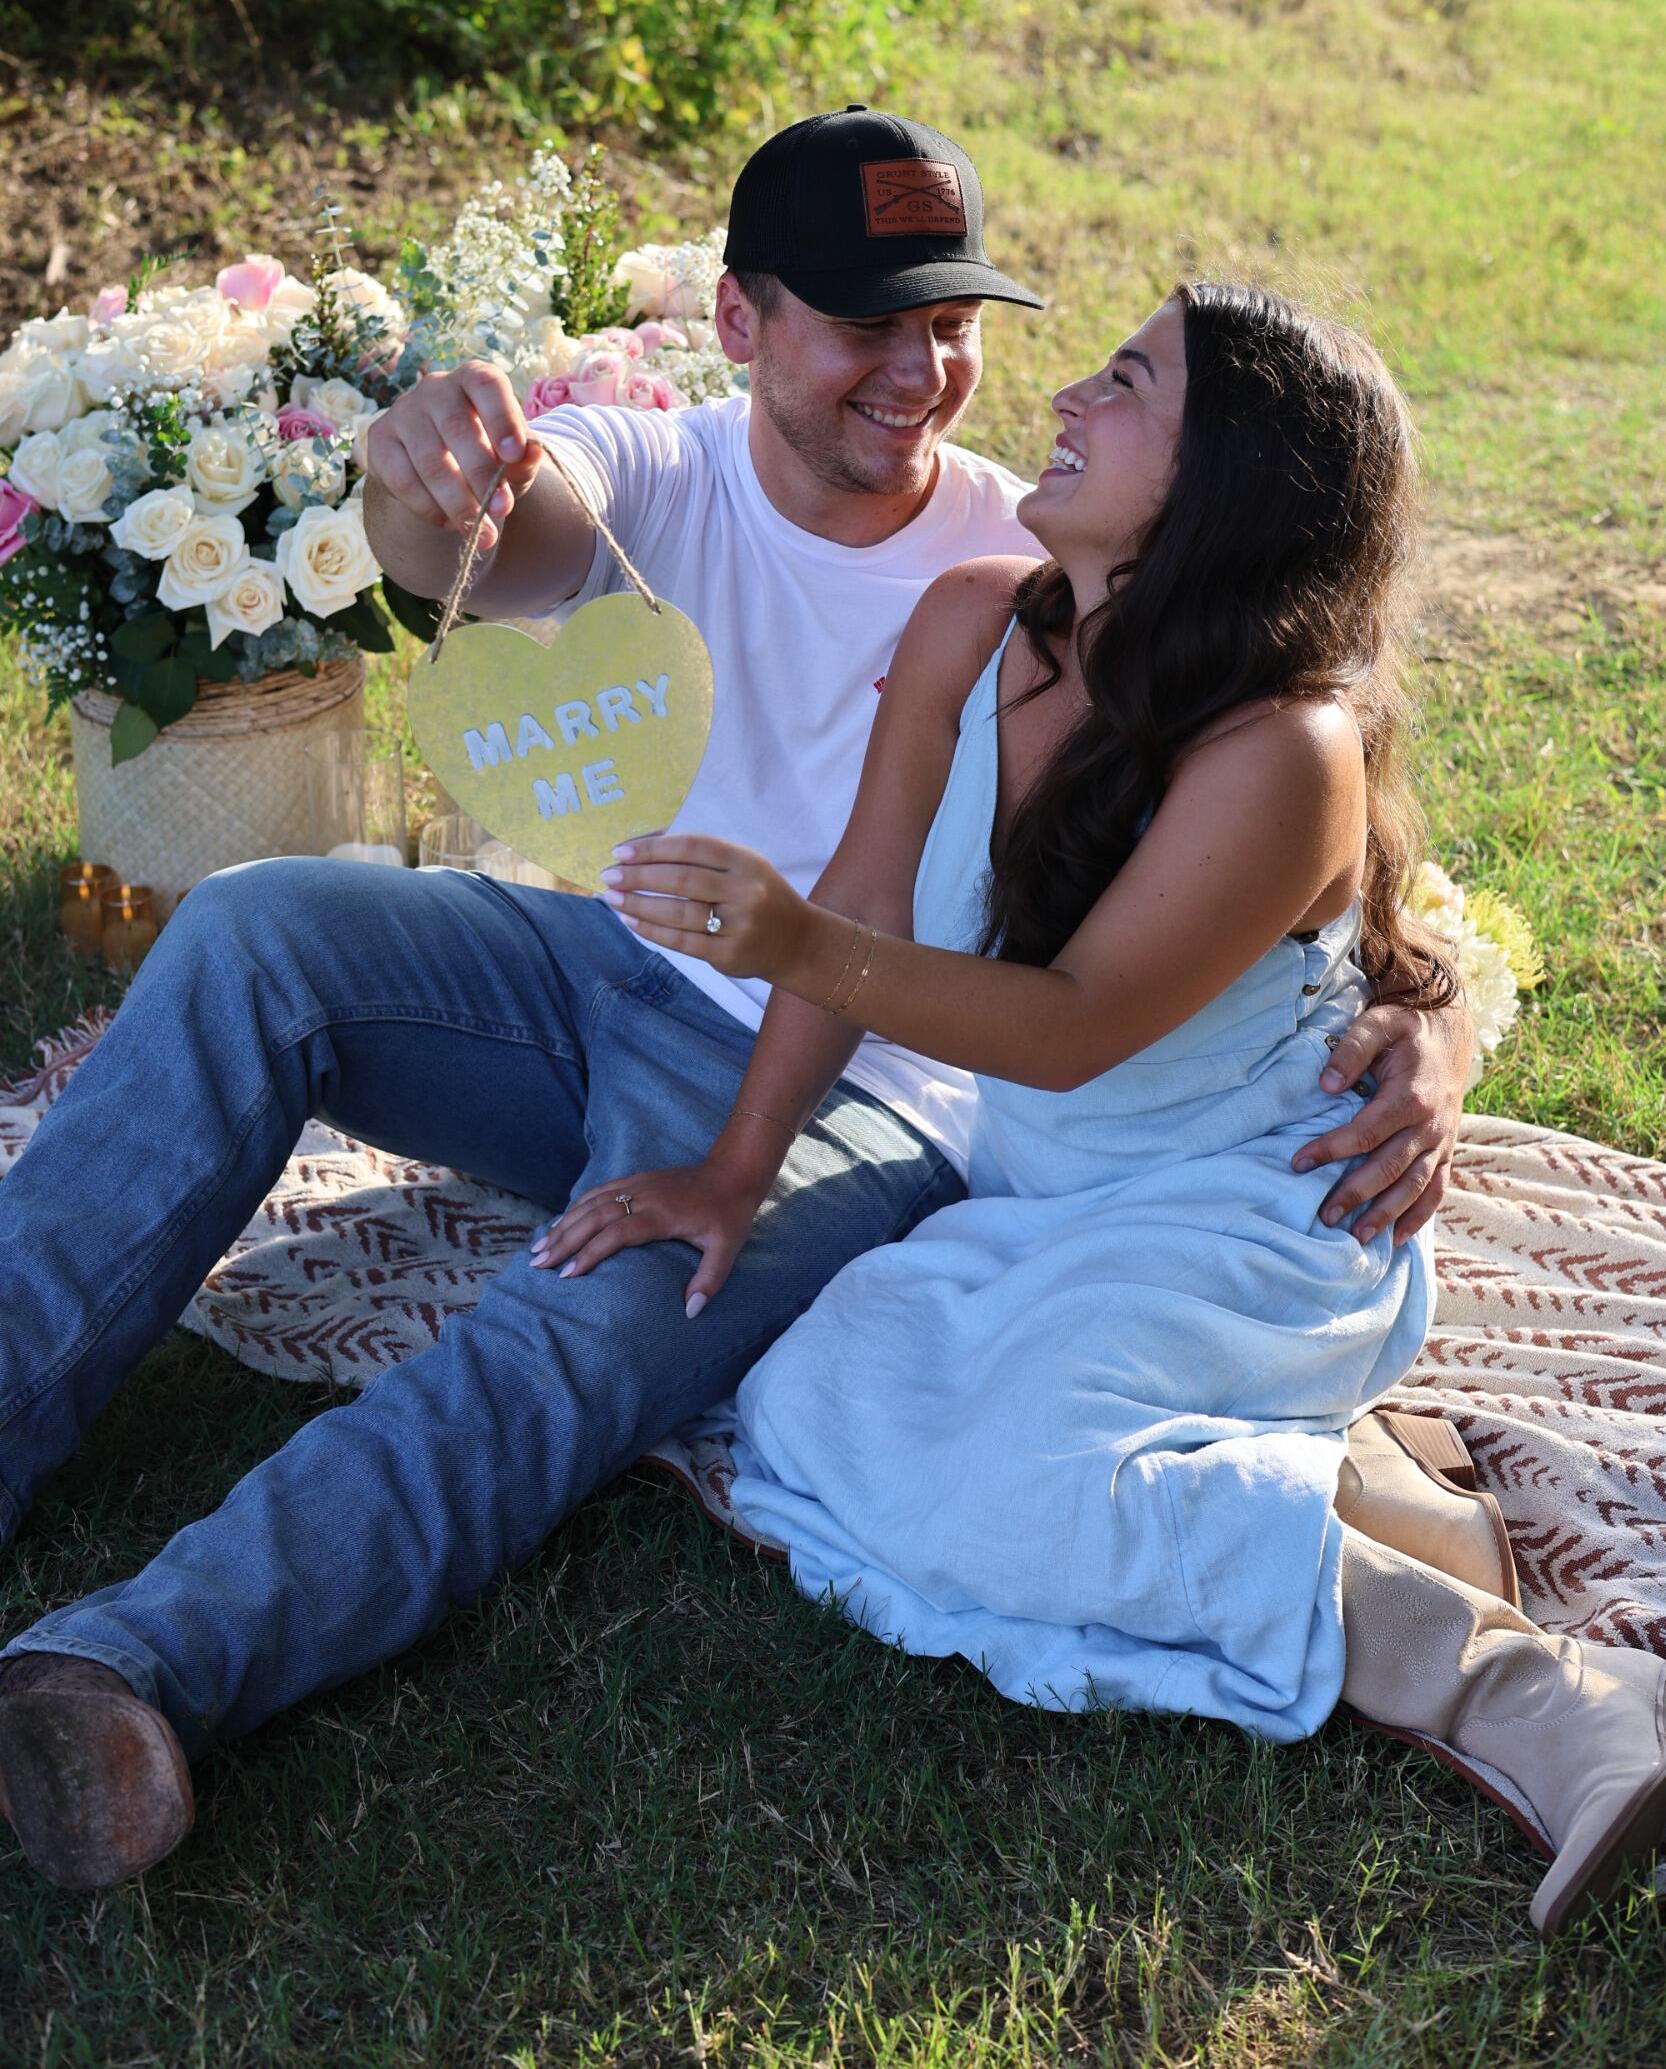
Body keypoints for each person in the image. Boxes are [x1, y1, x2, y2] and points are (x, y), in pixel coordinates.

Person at [0, 112, 1468, 1894]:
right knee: (251, 934)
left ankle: (133, 1665)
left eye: (950, 321)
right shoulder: (652, 474)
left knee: (592, 1314)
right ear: (738, 322)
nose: (920, 373)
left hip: (869, 1092)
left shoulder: (1056, 564)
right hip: (605, 974)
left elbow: (1330, 856)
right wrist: (415, 461)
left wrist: (1437, 1028)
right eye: (862, 322)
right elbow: (455, 538)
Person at [548, 280, 1666, 1937]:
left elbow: (1063, 1031)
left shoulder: (1282, 747)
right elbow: (863, 900)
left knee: (1001, 1475)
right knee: (819, 1400)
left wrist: (792, 935)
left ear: (1222, 478)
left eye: (1128, 382)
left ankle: (1526, 1696)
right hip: (1044, 1204)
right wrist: (730, 1169)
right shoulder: (969, 622)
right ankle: (1359, 1477)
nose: (1066, 394)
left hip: (1254, 1206)